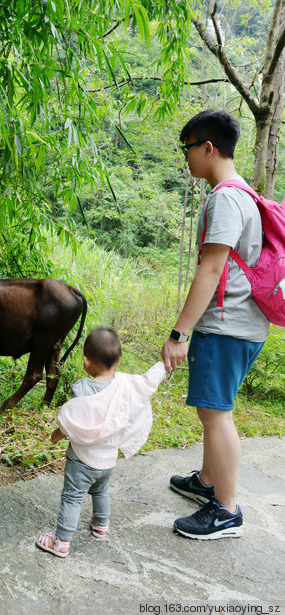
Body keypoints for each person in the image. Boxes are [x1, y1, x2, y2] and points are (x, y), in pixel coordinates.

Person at [161, 108, 269, 540]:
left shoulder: (225, 197)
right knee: (214, 411)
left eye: (187, 150)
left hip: (226, 326)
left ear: (208, 148)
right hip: (244, 324)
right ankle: (207, 482)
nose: (185, 159)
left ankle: (225, 511)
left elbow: (210, 270)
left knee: (216, 414)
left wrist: (179, 333)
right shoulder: (246, 193)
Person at [36, 326, 168, 557]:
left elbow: (75, 418)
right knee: (101, 491)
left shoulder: (83, 389)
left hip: (82, 461)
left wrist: (58, 432)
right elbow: (149, 381)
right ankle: (100, 525)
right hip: (107, 461)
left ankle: (61, 542)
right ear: (118, 361)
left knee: (72, 498)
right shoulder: (127, 384)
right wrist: (164, 364)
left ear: (86, 362)